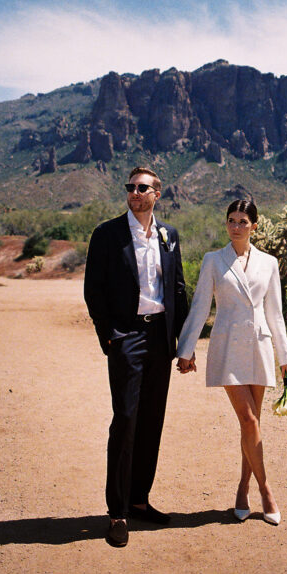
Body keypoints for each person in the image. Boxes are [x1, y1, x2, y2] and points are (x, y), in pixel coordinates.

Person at [84, 167, 188, 548]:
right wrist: (109, 335)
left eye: (142, 188)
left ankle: (140, 500)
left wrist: (183, 343)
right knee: (125, 420)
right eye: (130, 187)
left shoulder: (169, 236)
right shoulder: (107, 234)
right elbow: (93, 290)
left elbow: (177, 289)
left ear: (157, 193)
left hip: (160, 337)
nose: (134, 193)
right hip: (126, 336)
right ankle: (117, 512)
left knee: (151, 421)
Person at [176, 199, 287, 526]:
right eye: (231, 220)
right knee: (248, 420)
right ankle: (266, 490)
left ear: (255, 225)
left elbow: (275, 313)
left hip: (259, 346)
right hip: (227, 347)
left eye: (243, 221)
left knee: (252, 423)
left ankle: (243, 487)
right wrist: (185, 349)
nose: (236, 226)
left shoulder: (269, 263)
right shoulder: (214, 260)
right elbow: (200, 305)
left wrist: (286, 356)